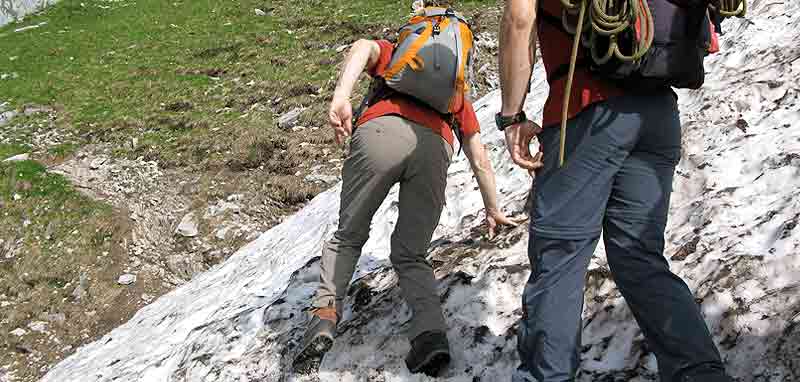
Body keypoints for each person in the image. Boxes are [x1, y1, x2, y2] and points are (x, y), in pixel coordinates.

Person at [496, 0, 733, 381]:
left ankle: (547, 375)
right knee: (639, 256)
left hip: (587, 110)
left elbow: (519, 18)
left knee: (561, 257)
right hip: (658, 113)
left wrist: (512, 116)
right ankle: (699, 372)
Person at [293, 25, 517, 376]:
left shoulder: (399, 55)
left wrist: (341, 94)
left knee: (349, 236)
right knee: (411, 253)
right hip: (434, 149)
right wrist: (493, 208)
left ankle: (323, 320)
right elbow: (480, 156)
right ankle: (430, 336)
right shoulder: (454, 94)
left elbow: (362, 47)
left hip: (380, 132)